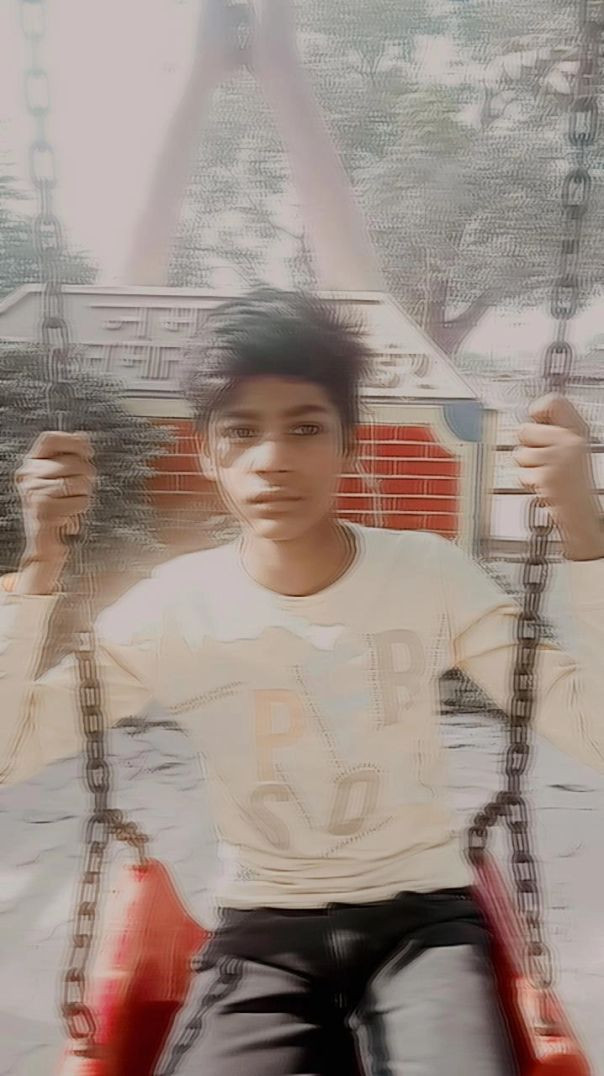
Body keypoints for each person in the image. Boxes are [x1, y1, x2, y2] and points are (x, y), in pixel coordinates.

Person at [2, 289, 604, 1076]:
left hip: (422, 924)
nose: (272, 458)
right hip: (261, 934)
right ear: (207, 452)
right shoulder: (173, 608)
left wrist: (584, 529)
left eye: (305, 428)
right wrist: (38, 568)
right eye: (241, 431)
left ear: (350, 445)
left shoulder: (427, 577)